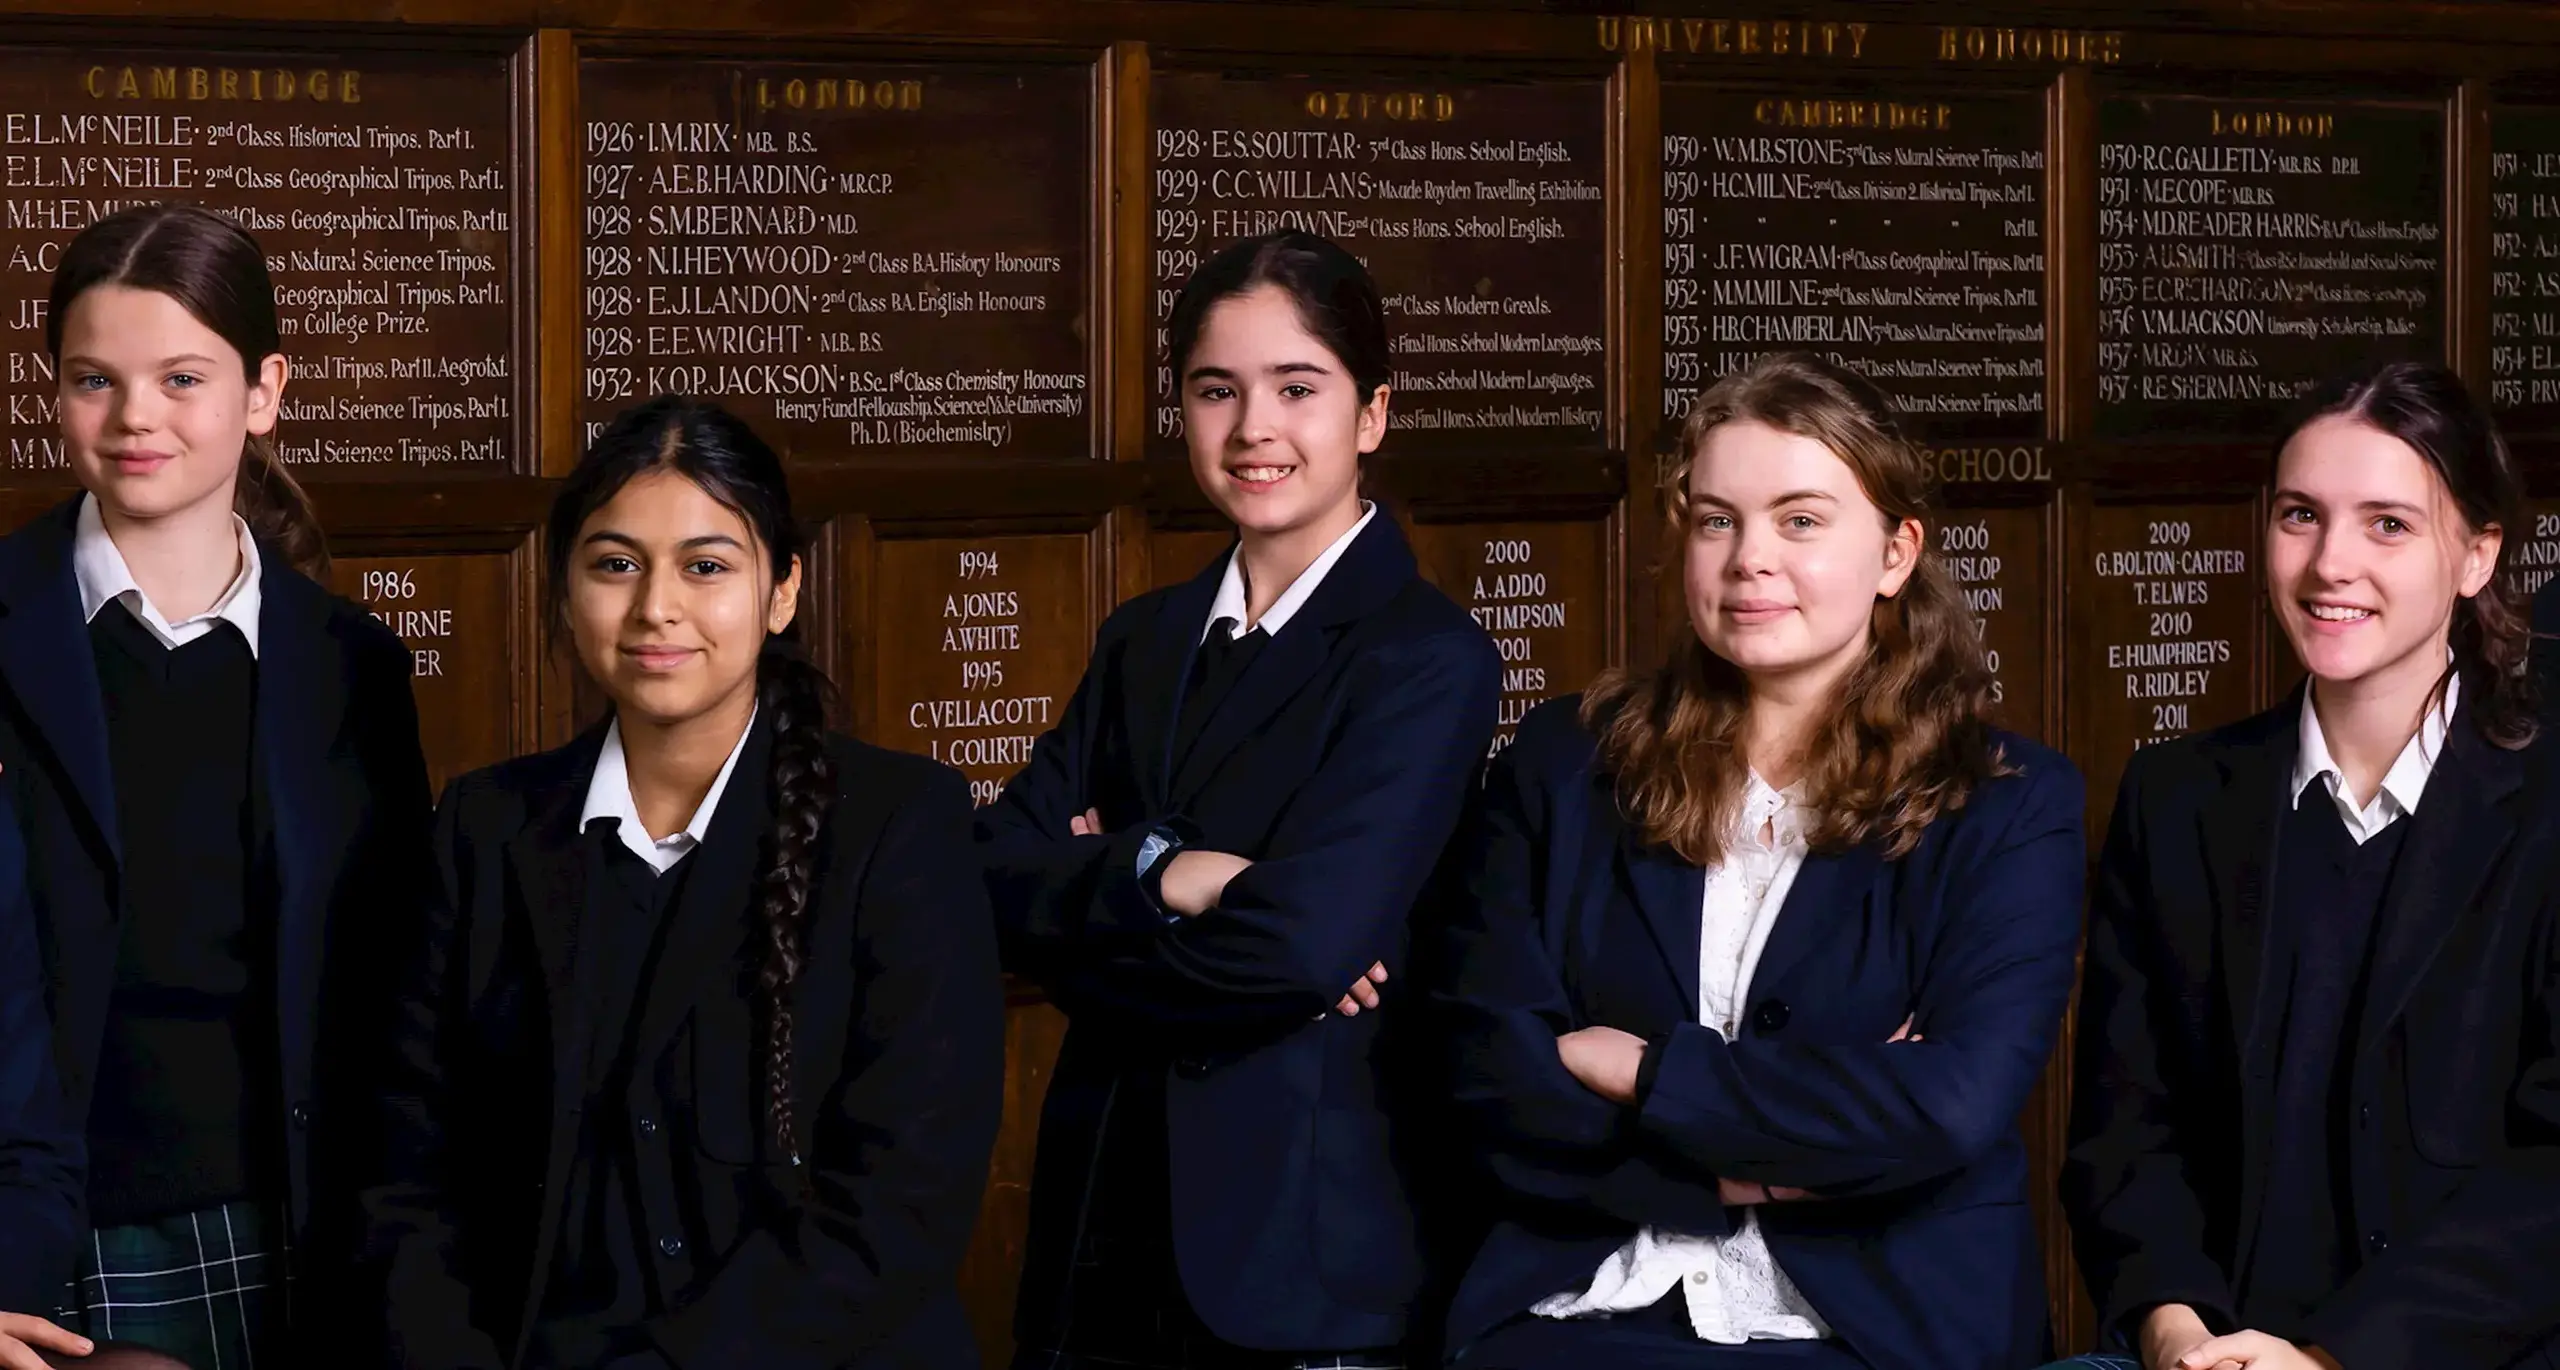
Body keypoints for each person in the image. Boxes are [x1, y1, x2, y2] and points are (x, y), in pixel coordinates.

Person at [1430, 352, 2085, 1370]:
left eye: (1801, 518)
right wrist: (1752, 1167)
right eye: (1714, 518)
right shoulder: (1565, 761)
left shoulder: (2008, 801)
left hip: (1874, 1332)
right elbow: (1485, 1073)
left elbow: (1947, 1103)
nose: (1748, 559)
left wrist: (1643, 1069)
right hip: (1574, 1309)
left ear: (1896, 551)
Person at [364, 396, 1004, 1370]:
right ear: (565, 587)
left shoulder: (899, 824)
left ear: (782, 589)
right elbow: (409, 1172)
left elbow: (897, 1199)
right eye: (614, 563)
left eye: (706, 566)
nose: (655, 606)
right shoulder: (488, 828)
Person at [977, 229, 1501, 1369]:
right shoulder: (1142, 639)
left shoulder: (1424, 658)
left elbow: (1298, 950)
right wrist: (1165, 874)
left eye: (1296, 388)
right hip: (1096, 1236)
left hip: (1298, 1260)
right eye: (1217, 390)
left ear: (1371, 415)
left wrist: (1089, 911)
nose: (1253, 428)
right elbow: (981, 879)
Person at [2056, 362, 2560, 1370]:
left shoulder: (2546, 800)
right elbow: (2125, 1132)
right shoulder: (2175, 797)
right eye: (2299, 514)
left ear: (2475, 554)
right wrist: (2172, 1325)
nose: (2331, 562)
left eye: (2387, 523)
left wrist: (2335, 1357)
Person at [0, 202, 433, 1367]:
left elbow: (393, 979)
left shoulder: (353, 664)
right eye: (94, 379)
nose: (137, 417)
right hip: (38, 1240)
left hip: (305, 1226)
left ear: (263, 390)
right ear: (52, 391)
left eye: (182, 377)